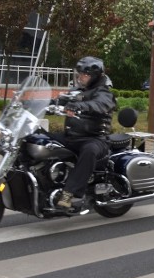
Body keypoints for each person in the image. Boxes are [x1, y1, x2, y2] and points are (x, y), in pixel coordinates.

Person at [50, 56, 117, 211]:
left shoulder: (104, 93)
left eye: (84, 75)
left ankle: (71, 195)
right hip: (72, 137)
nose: (80, 77)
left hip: (95, 139)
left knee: (89, 151)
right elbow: (60, 101)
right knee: (39, 139)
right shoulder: (76, 91)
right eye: (79, 74)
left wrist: (80, 106)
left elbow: (99, 105)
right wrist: (37, 104)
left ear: (94, 76)